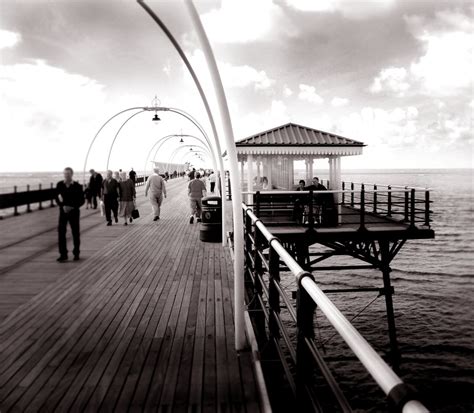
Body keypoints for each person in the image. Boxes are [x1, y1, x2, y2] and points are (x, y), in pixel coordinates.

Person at [55, 167, 85, 262]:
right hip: (63, 212)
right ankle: (63, 254)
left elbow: (82, 200)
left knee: (75, 233)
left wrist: (72, 207)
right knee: (61, 233)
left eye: (68, 173)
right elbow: (57, 198)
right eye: (65, 173)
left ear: (72, 174)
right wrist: (62, 206)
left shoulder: (77, 186)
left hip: (74, 212)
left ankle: (76, 253)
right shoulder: (60, 185)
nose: (66, 175)